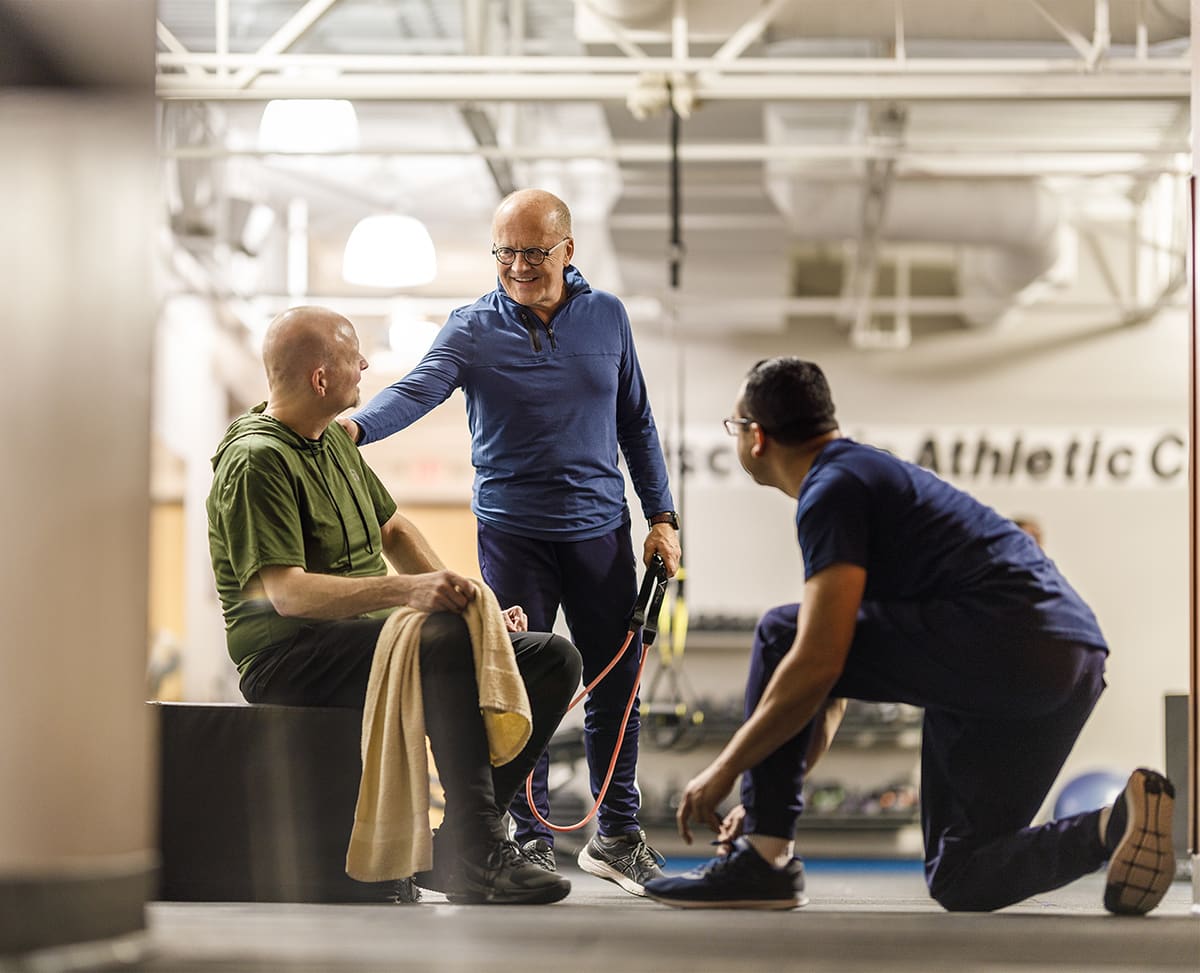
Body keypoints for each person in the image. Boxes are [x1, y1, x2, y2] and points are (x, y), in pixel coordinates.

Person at [644, 357, 1176, 914]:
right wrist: (767, 795)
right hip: (1072, 659)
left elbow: (816, 661)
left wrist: (725, 771)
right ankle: (1113, 826)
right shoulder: (868, 476)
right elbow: (831, 688)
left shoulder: (833, 487)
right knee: (961, 874)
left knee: (782, 632)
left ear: (756, 437)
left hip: (1005, 640)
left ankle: (763, 863)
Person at [340, 188, 681, 896]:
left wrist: (662, 517)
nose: (518, 266)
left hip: (599, 531)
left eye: (533, 251)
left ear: (567, 250)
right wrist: (355, 429)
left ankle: (616, 833)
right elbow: (420, 388)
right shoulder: (472, 326)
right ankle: (525, 837)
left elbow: (637, 425)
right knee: (518, 682)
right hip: (514, 532)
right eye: (505, 251)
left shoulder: (607, 317)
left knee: (616, 682)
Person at [206, 305, 583, 905]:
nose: (365, 363)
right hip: (290, 655)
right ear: (320, 378)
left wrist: (469, 602)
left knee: (551, 658)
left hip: (366, 638)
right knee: (440, 641)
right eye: (352, 355)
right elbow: (287, 594)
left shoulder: (330, 441)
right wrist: (409, 594)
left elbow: (395, 530)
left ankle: (458, 835)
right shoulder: (258, 460)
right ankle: (481, 851)